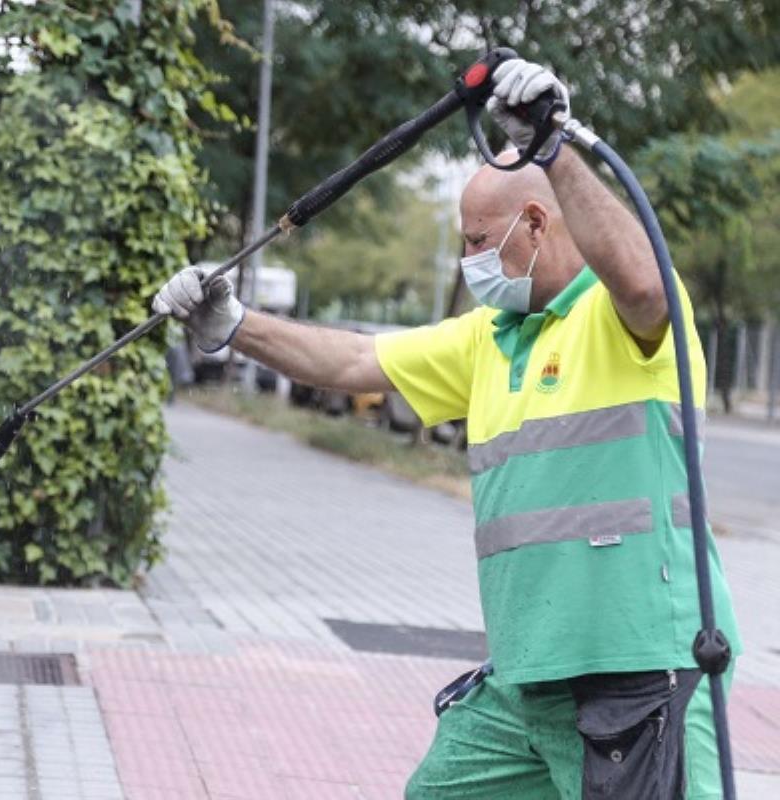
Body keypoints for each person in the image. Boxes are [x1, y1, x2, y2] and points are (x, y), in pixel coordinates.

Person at [152, 58, 740, 799]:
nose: (467, 263)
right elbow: (358, 357)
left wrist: (554, 147)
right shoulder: (489, 336)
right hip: (529, 680)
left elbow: (644, 282)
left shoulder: (623, 316)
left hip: (637, 677)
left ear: (533, 223)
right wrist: (233, 326)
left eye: (475, 240)